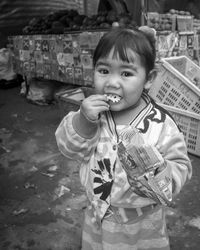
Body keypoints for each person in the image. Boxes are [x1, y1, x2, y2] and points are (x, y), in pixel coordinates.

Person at [55, 27, 192, 250]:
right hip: (98, 216)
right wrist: (83, 121)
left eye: (126, 74)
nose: (112, 82)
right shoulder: (92, 116)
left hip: (142, 224)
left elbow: (181, 166)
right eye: (104, 71)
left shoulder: (160, 125)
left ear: (149, 79)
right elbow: (68, 148)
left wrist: (160, 177)